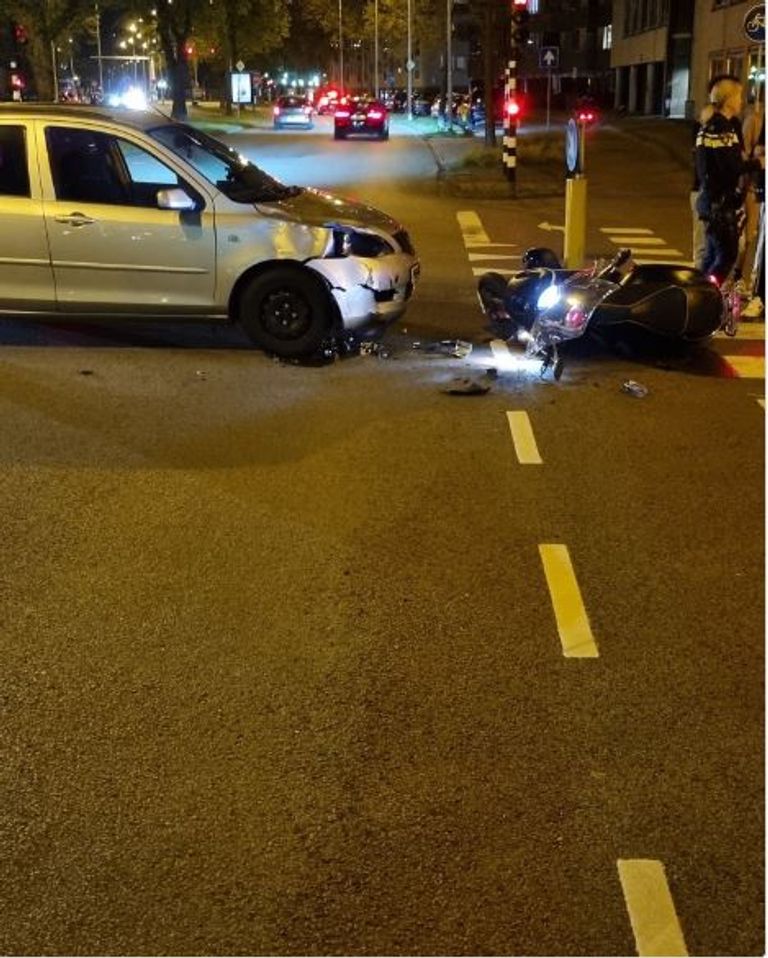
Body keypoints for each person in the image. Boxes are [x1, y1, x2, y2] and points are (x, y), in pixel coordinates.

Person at [695, 76, 764, 286]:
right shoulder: (723, 129)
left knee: (711, 255)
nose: (742, 101)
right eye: (739, 96)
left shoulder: (709, 126)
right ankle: (708, 295)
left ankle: (699, 292)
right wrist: (758, 163)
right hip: (720, 204)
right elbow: (730, 168)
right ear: (729, 100)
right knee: (726, 256)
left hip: (710, 200)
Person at [691, 104, 714, 270]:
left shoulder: (731, 126)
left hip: (716, 194)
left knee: (714, 245)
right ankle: (700, 282)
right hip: (702, 191)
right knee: (702, 244)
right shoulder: (701, 134)